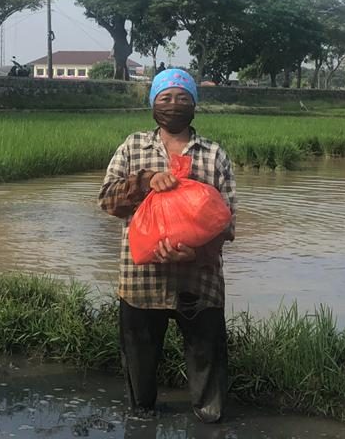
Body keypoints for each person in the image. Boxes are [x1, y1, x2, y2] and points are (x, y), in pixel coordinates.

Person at [97, 69, 236, 424]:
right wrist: (144, 182)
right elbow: (107, 201)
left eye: (182, 98)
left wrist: (197, 251)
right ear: (153, 104)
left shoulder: (214, 155)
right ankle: (141, 416)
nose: (174, 105)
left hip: (199, 279)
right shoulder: (133, 147)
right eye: (165, 98)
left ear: (194, 104)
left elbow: (227, 221)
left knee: (206, 355)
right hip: (140, 279)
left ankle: (209, 418)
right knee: (139, 360)